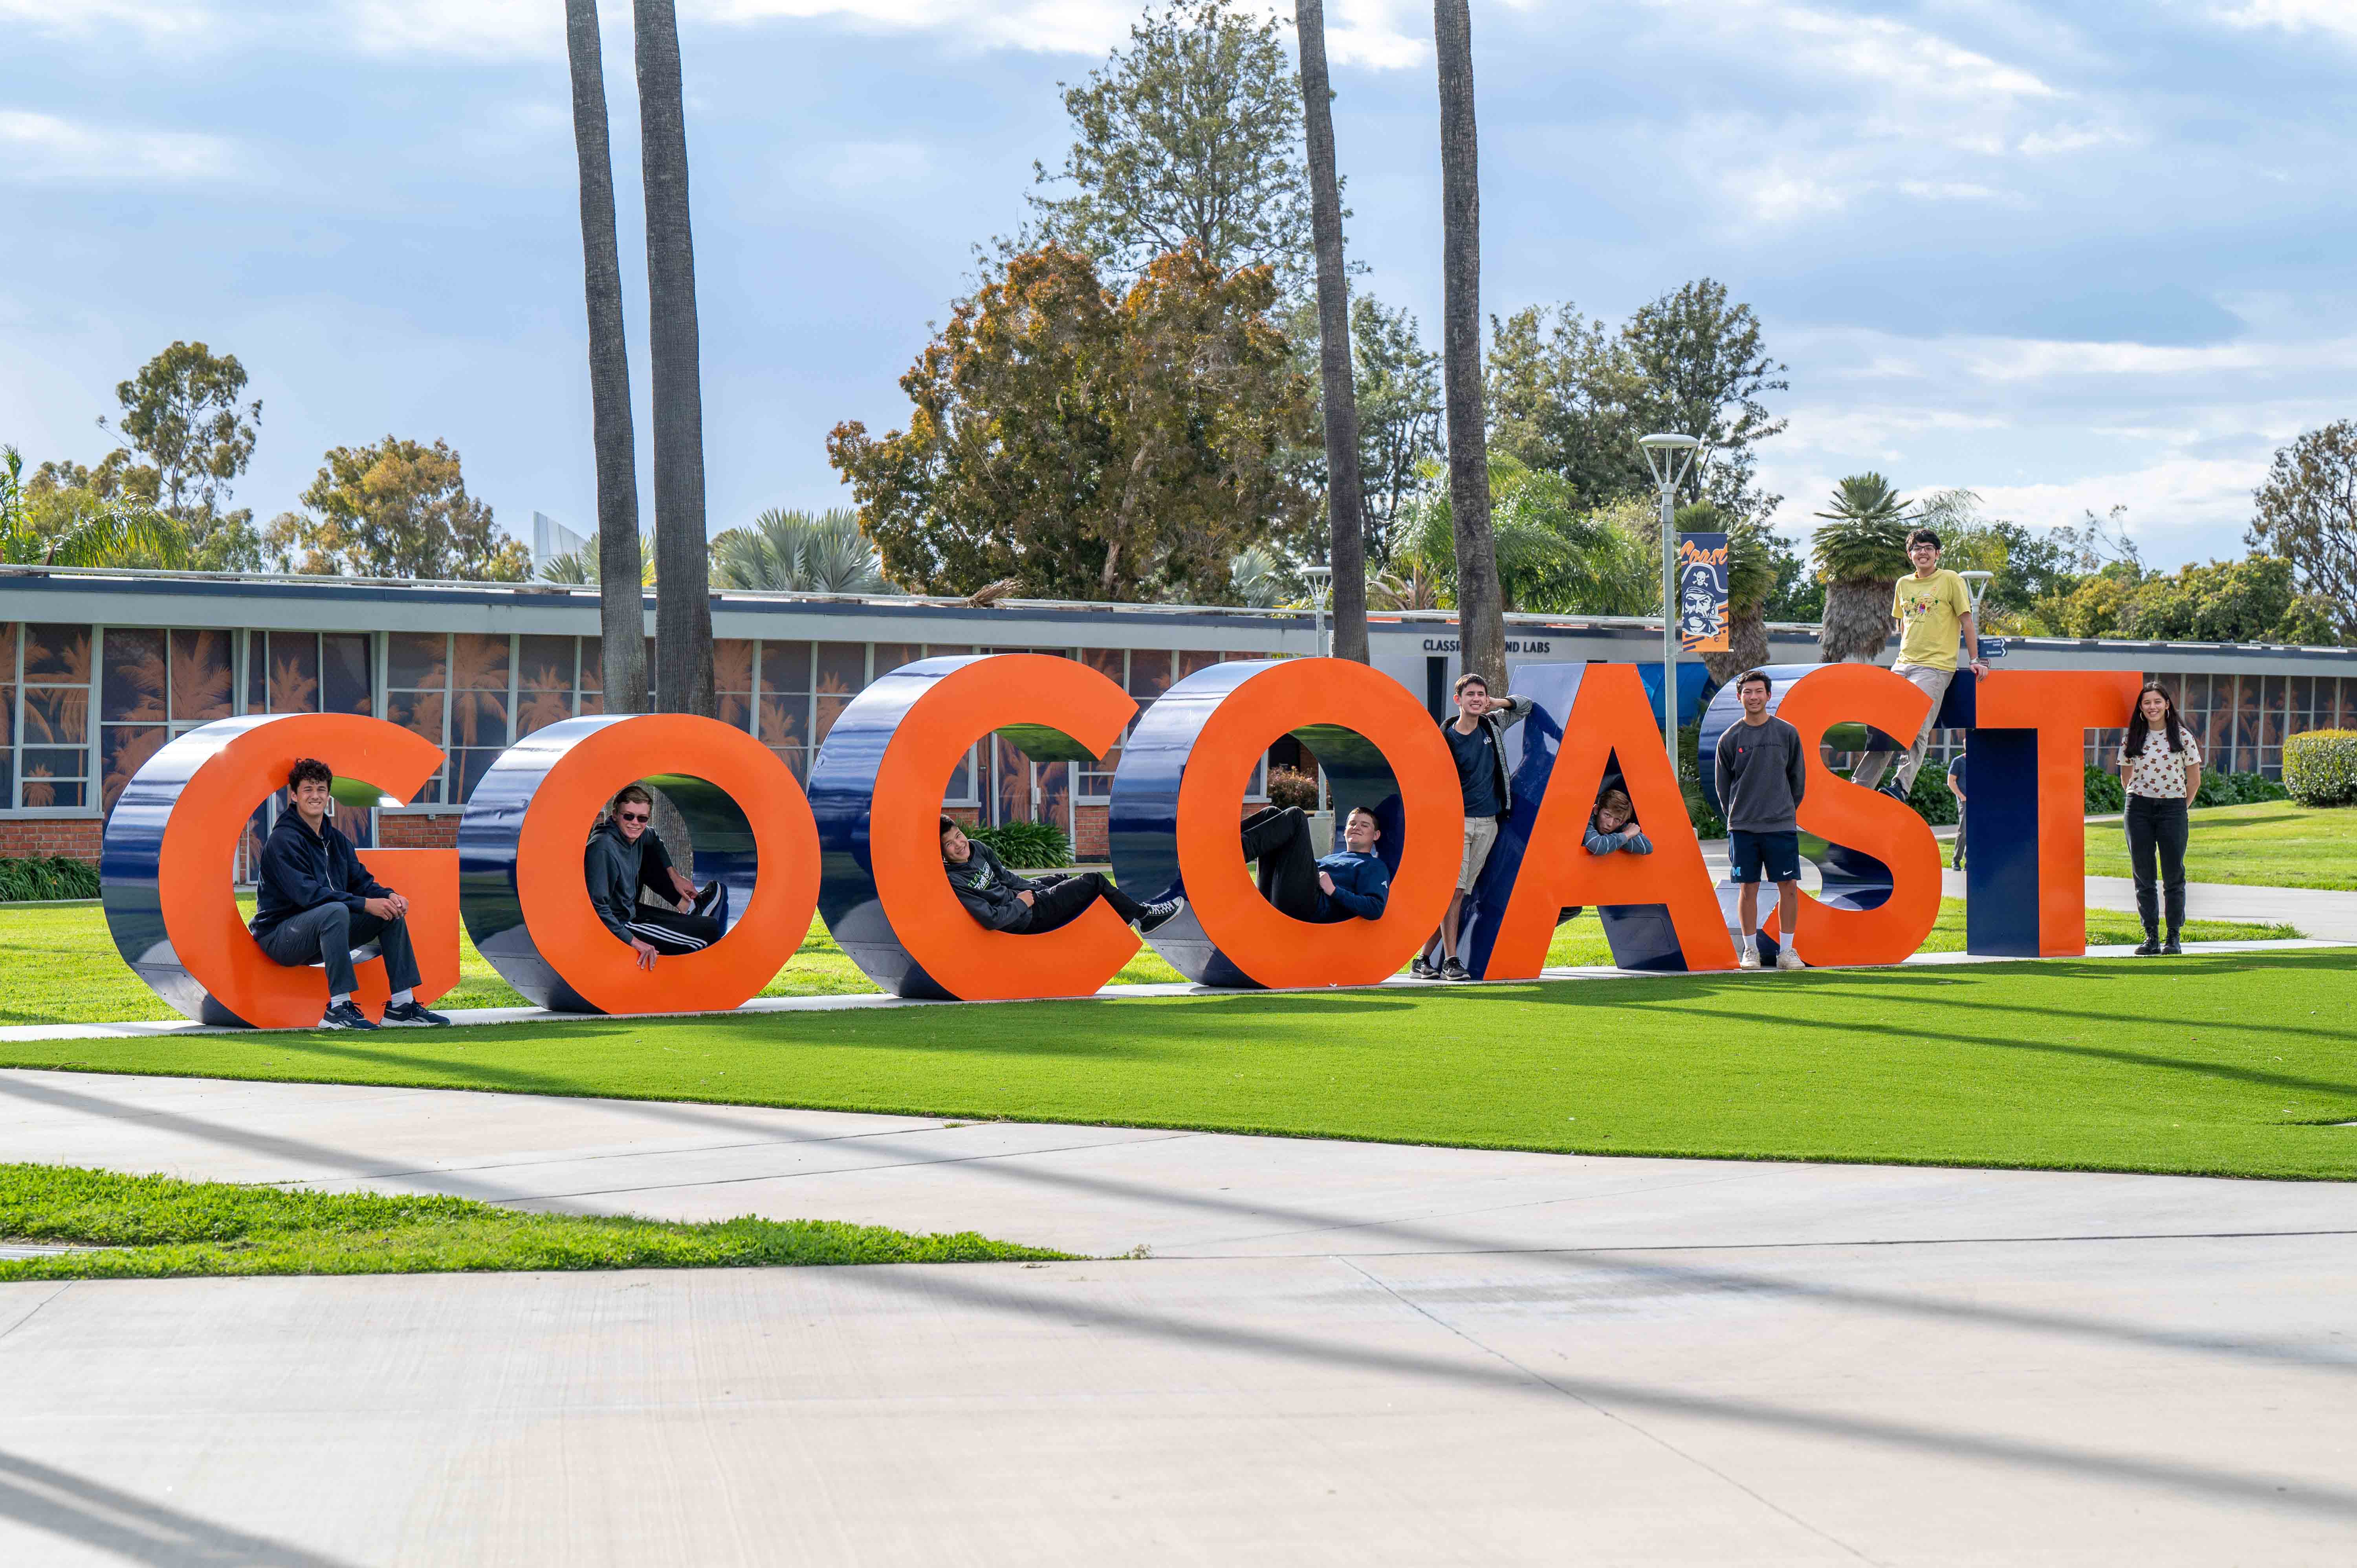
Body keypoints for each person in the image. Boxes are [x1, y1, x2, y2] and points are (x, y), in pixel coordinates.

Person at [247, 757, 449, 1029]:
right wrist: (366, 904)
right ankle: (338, 1008)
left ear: (328, 795)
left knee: (390, 915)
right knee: (335, 910)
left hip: (325, 933)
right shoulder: (283, 840)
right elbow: (309, 896)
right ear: (294, 795)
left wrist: (389, 897)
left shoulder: (337, 840)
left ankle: (402, 1007)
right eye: (308, 789)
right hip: (282, 936)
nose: (315, 796)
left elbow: (362, 882)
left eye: (321, 790)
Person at [1851, 528, 1989, 799]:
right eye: (1918, 548)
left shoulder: (1950, 580)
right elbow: (1903, 623)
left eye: (1929, 548)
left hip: (1935, 667)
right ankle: (1859, 789)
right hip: (1903, 665)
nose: (1923, 552)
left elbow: (1966, 621)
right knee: (1883, 728)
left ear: (1937, 554)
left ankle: (1901, 787)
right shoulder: (1903, 584)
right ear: (1910, 554)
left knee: (1916, 725)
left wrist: (1975, 659)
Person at [1415, 671, 1533, 982]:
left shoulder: (1492, 724)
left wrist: (1499, 702)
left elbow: (1525, 706)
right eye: (1471, 695)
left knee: (1462, 894)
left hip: (1489, 823)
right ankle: (1452, 961)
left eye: (1482, 694)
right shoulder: (1445, 738)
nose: (1478, 699)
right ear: (1459, 700)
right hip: (1457, 824)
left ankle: (1423, 959)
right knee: (1453, 891)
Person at [1714, 669, 1808, 972]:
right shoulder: (1730, 738)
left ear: (1769, 696)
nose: (1753, 697)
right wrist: (1739, 815)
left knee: (1789, 887)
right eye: (1748, 692)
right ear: (1739, 697)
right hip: (1743, 827)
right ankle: (1751, 950)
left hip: (1780, 825)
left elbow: (1798, 781)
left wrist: (1782, 810)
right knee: (1748, 889)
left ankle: (1788, 952)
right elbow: (1723, 787)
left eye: (1759, 692)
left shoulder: (1788, 733)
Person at [943, 817, 1184, 935]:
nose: (959, 844)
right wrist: (1022, 903)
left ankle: (1122, 918)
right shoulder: (955, 880)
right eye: (949, 844)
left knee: (1063, 878)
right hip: (1026, 917)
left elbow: (1008, 879)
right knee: (1094, 880)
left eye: (959, 835)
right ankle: (1144, 916)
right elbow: (991, 919)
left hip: (1024, 899)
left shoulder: (976, 848)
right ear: (941, 852)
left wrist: (1039, 886)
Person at [587, 784, 727, 969]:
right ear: (615, 815)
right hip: (619, 923)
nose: (635, 823)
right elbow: (597, 908)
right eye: (628, 816)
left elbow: (654, 839)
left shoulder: (637, 834)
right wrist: (634, 942)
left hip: (631, 909)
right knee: (704, 938)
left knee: (708, 925)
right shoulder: (603, 848)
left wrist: (675, 877)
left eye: (642, 818)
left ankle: (690, 906)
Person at [2119, 682, 2201, 956]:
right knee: (2144, 876)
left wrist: (2180, 807)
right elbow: (2125, 777)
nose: (2152, 707)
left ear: (2167, 704)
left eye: (2157, 701)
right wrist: (2140, 797)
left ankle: (2173, 937)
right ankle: (2151, 937)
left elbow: (2194, 780)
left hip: (2173, 810)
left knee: (2174, 875)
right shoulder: (2132, 737)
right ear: (2141, 709)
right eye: (2146, 703)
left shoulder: (2183, 738)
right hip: (2138, 810)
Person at [1241, 804, 1390, 924]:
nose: (1357, 828)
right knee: (1271, 813)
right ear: (1345, 832)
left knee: (1296, 816)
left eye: (1365, 825)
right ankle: (1228, 842)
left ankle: (1239, 850)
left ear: (1376, 835)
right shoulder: (1332, 858)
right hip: (1277, 895)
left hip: (1310, 907)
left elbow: (1375, 908)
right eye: (1353, 824)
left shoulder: (1374, 866)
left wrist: (1333, 890)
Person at [1584, 787, 1653, 858]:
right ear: (1596, 810)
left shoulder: (1619, 826)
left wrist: (1616, 840)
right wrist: (1628, 834)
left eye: (1617, 819)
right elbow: (1598, 847)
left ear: (1622, 822)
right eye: (1607, 815)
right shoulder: (1586, 822)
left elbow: (1647, 848)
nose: (1610, 824)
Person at [1946, 751, 1968, 870]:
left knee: (1975, 833)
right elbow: (1951, 781)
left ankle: (1970, 862)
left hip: (1979, 802)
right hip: (1965, 802)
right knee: (1964, 831)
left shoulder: (1978, 761)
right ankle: (1956, 861)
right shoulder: (1958, 762)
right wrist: (1962, 797)